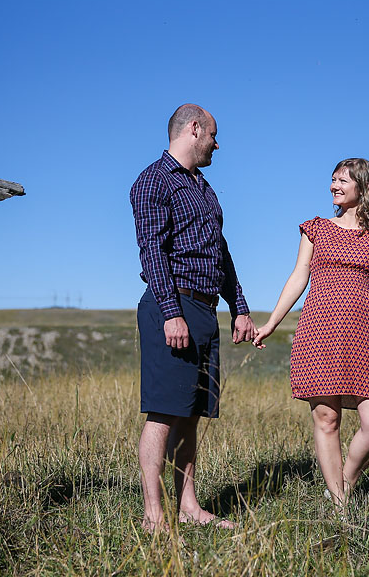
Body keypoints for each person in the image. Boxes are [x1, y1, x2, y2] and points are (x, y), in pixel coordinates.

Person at [130, 103, 255, 532]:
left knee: (190, 412)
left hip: (205, 309)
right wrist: (171, 312)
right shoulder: (153, 181)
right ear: (194, 129)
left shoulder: (203, 187)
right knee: (164, 412)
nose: (217, 144)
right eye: (213, 136)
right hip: (173, 306)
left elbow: (220, 252)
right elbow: (153, 251)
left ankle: (189, 506)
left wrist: (238, 306)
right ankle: (153, 515)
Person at [252, 158, 369, 512]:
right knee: (327, 418)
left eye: (342, 181)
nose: (333, 186)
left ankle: (344, 482)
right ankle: (339, 504)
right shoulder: (315, 228)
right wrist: (272, 322)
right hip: (318, 332)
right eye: (332, 180)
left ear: (363, 188)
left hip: (365, 339)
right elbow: (298, 276)